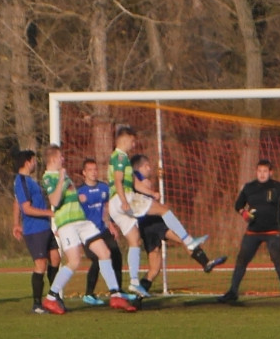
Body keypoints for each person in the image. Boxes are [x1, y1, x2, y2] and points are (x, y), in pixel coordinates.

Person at [106, 125, 207, 298]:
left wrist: (151, 193)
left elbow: (133, 183)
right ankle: (188, 240)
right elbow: (118, 180)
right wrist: (124, 200)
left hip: (115, 205)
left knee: (134, 240)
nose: (134, 143)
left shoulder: (121, 159)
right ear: (125, 139)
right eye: (132, 140)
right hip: (123, 199)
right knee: (164, 210)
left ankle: (134, 282)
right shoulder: (120, 157)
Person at [38, 145, 136, 314]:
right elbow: (54, 201)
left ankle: (115, 294)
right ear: (53, 159)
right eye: (61, 156)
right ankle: (51, 298)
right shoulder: (49, 177)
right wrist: (61, 180)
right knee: (75, 261)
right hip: (67, 223)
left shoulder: (64, 175)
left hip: (82, 221)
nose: (63, 159)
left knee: (104, 252)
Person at [130, 154, 226, 293]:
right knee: (185, 239)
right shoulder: (137, 177)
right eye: (148, 166)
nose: (150, 169)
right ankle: (205, 262)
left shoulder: (132, 179)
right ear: (141, 167)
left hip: (144, 227)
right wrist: (152, 191)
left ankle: (137, 298)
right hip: (155, 222)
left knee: (154, 268)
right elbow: (144, 187)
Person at [217, 159, 280, 303]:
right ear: (256, 172)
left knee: (276, 257)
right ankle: (233, 292)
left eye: (265, 171)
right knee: (242, 259)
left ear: (271, 172)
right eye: (259, 171)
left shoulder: (278, 187)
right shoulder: (249, 187)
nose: (262, 174)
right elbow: (238, 205)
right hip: (253, 231)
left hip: (273, 231)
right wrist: (243, 213)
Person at [12, 149, 61, 314]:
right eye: (33, 161)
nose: (35, 163)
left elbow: (16, 202)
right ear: (27, 162)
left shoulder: (30, 181)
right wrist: (49, 213)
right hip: (34, 229)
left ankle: (54, 298)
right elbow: (25, 207)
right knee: (41, 263)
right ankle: (37, 304)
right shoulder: (21, 181)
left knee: (56, 258)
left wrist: (15, 223)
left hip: (44, 227)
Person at [75, 157, 123, 306]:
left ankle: (118, 291)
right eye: (90, 170)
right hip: (88, 233)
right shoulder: (79, 192)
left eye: (95, 169)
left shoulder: (104, 188)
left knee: (116, 255)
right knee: (98, 259)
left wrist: (111, 224)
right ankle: (89, 294)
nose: (94, 172)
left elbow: (107, 207)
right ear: (84, 173)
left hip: (103, 229)